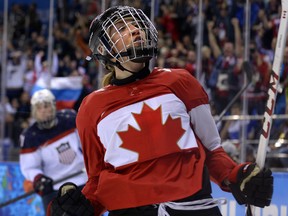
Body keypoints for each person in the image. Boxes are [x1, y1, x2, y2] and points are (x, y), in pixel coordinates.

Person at [48, 6, 273, 216]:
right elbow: (97, 180)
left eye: (137, 26)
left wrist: (237, 176)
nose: (135, 30)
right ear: (104, 49)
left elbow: (212, 151)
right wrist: (77, 207)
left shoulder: (180, 81)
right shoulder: (91, 107)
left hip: (192, 207)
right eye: (123, 28)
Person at [19, 89, 88, 212]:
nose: (44, 110)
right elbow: (29, 167)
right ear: (34, 111)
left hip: (82, 180)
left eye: (46, 106)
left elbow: (87, 143)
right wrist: (38, 178)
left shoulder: (69, 118)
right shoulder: (30, 136)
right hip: (55, 188)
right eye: (39, 108)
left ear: (54, 106)